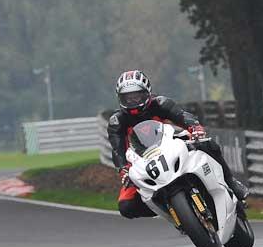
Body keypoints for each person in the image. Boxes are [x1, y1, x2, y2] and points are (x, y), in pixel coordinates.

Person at [107, 70, 249, 219]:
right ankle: (171, 209)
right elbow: (117, 150)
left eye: (136, 96)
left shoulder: (161, 103)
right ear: (120, 99)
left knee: (208, 144)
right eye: (127, 98)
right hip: (143, 160)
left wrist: (195, 128)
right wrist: (123, 169)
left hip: (172, 143)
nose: (133, 101)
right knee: (126, 206)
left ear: (147, 92)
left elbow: (182, 116)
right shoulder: (117, 121)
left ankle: (230, 182)